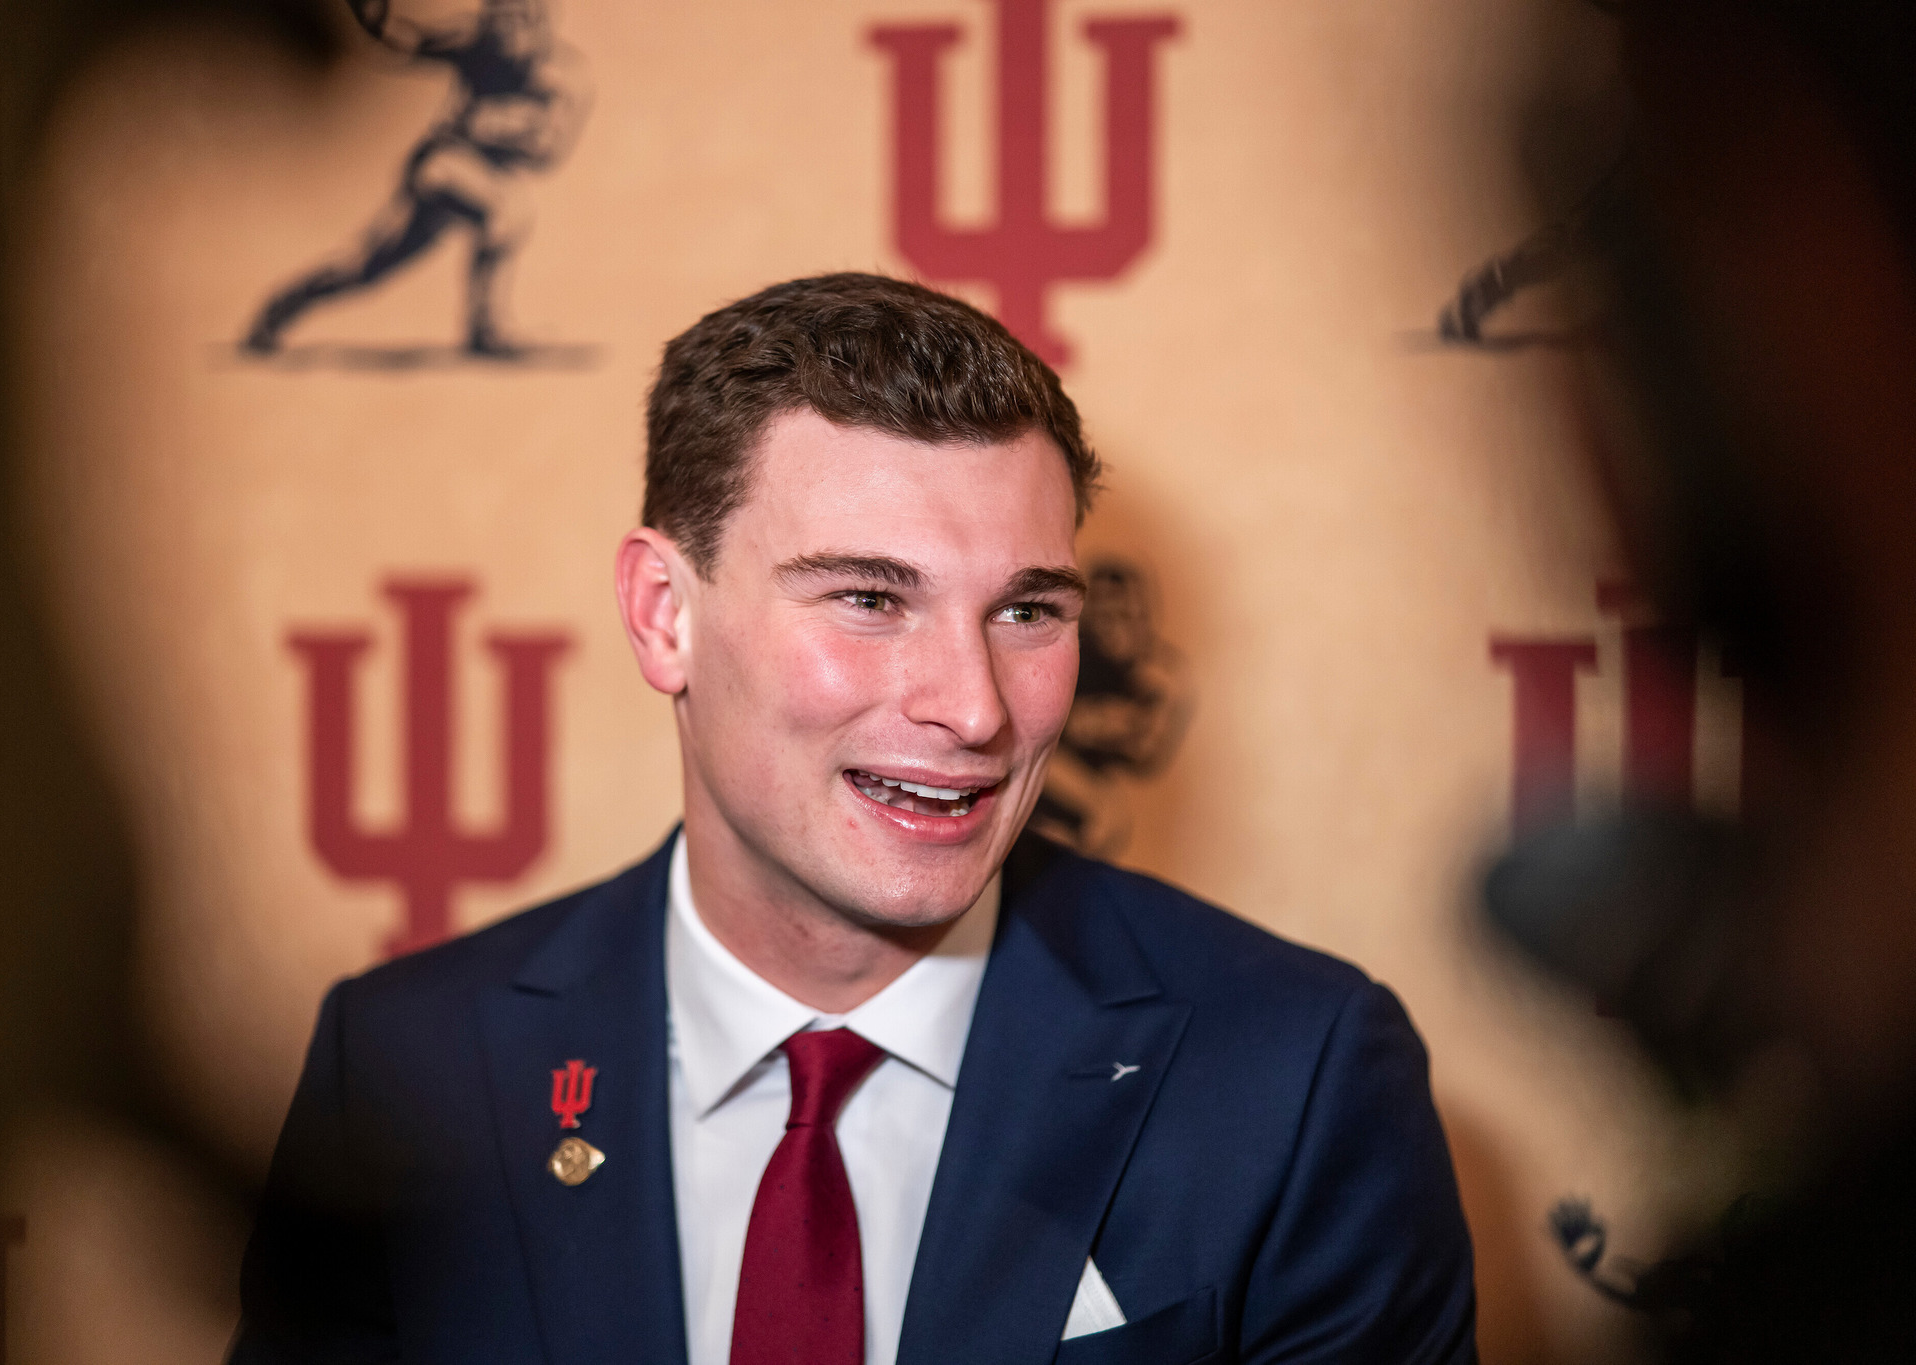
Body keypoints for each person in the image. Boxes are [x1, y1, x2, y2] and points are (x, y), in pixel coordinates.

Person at [230, 273, 1478, 1364]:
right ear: (664, 614)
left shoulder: (1295, 1080)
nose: (973, 708)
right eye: (871, 600)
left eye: (1027, 612)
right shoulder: (406, 1070)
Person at [241, 0, 589, 358]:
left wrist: (493, 129)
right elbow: (409, 43)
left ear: (543, 23)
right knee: (509, 209)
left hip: (483, 172)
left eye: (519, 19)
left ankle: (282, 307)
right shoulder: (473, 40)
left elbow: (549, 151)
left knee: (366, 266)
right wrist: (374, 21)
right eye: (499, 19)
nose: (508, 31)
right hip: (442, 164)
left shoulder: (564, 78)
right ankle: (487, 327)